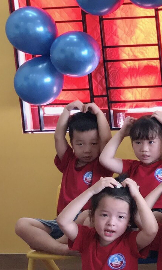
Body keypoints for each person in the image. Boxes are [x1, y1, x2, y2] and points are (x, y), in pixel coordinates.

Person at [15, 101, 111, 255]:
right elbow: (58, 137)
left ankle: (52, 244)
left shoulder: (102, 164)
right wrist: (67, 110)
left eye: (93, 143)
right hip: (60, 222)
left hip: (83, 225)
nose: (87, 150)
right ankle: (61, 248)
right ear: (72, 143)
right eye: (80, 144)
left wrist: (99, 113)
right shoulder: (68, 161)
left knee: (89, 216)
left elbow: (106, 139)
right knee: (21, 224)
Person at [100, 112, 162, 209]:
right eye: (138, 142)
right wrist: (122, 133)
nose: (144, 149)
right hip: (138, 214)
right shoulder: (132, 167)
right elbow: (105, 159)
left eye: (151, 142)